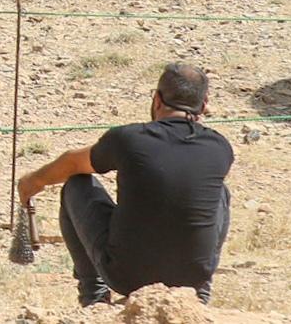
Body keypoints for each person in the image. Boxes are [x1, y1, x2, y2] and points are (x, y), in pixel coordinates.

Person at [18, 62, 233, 309]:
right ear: (204, 105)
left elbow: (72, 163)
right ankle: (200, 296)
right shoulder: (220, 148)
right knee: (220, 193)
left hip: (126, 276)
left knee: (76, 183)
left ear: (157, 100)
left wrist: (32, 181)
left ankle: (94, 297)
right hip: (191, 278)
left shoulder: (129, 139)